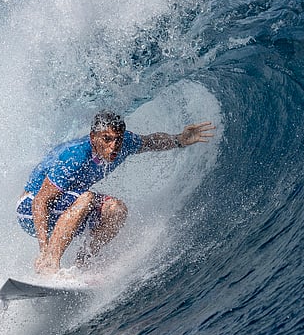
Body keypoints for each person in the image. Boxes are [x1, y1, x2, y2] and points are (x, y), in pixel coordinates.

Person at [17, 111, 216, 275]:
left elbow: (151, 142)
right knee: (86, 198)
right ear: (93, 137)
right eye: (107, 139)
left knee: (116, 209)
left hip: (67, 209)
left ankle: (80, 267)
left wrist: (179, 140)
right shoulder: (74, 155)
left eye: (117, 140)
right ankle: (49, 264)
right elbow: (40, 202)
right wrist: (43, 249)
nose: (113, 146)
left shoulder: (124, 145)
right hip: (31, 210)